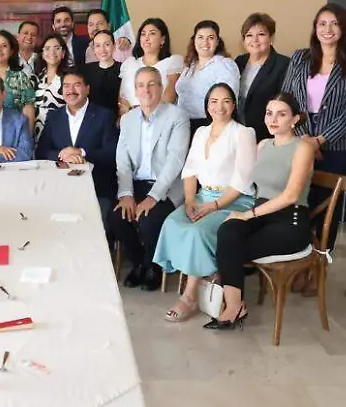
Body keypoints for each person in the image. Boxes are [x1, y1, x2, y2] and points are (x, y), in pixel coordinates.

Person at [211, 93, 316, 329]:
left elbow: (290, 196)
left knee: (232, 248)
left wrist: (246, 215)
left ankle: (229, 300)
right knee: (228, 231)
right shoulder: (263, 145)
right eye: (269, 113)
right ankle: (235, 305)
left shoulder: (303, 148)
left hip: (290, 221)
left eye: (281, 114)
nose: (273, 119)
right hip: (262, 213)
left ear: (295, 119)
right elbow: (252, 185)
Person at [153, 84, 258, 322]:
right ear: (207, 105)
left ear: (234, 105)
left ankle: (189, 295)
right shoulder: (201, 132)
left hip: (234, 201)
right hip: (202, 197)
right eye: (214, 101)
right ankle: (209, 273)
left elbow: (241, 181)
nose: (219, 107)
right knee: (172, 222)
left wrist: (215, 206)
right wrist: (190, 200)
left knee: (197, 231)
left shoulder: (244, 133)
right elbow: (190, 170)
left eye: (226, 101)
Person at [280, 3, 346, 285]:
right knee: (300, 205)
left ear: (343, 28)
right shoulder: (300, 57)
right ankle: (298, 263)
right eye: (322, 24)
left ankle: (318, 269)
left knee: (327, 210)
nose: (328, 29)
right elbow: (287, 98)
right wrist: (305, 137)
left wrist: (321, 139)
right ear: (315, 28)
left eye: (334, 23)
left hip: (338, 146)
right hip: (300, 139)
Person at [109, 67, 191, 291]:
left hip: (167, 186)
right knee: (117, 218)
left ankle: (153, 266)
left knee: (149, 220)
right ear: (135, 91)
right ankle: (139, 263)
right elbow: (122, 160)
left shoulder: (177, 117)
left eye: (152, 84)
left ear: (161, 88)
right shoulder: (128, 119)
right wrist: (126, 194)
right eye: (141, 85)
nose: (146, 90)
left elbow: (175, 160)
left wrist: (153, 197)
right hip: (136, 184)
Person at [36, 70, 119, 220]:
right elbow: (41, 151)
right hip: (59, 187)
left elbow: (112, 153)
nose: (71, 90)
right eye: (66, 86)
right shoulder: (54, 116)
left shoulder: (104, 115)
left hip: (96, 188)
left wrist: (81, 152)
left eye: (77, 85)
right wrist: (63, 155)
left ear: (87, 89)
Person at [175, 20, 240, 131]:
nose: (205, 42)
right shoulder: (190, 66)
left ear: (217, 41)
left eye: (210, 38)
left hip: (209, 125)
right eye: (200, 37)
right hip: (183, 124)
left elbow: (228, 100)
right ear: (194, 40)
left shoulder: (224, 65)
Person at [234, 13, 291, 140]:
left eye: (261, 34)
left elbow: (286, 104)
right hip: (238, 133)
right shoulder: (239, 62)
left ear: (271, 38)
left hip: (266, 135)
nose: (255, 40)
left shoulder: (284, 64)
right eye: (249, 35)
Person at [118, 18, 182, 115]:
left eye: (152, 33)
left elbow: (169, 98)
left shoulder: (172, 62)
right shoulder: (129, 63)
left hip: (161, 117)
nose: (146, 38)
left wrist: (140, 112)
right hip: (131, 118)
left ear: (163, 39)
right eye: (143, 34)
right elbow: (122, 99)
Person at [32, 34, 70, 140]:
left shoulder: (69, 78)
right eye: (47, 48)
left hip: (60, 132)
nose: (52, 52)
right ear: (42, 54)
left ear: (63, 53)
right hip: (35, 132)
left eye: (57, 48)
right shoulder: (35, 77)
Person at [84, 30, 123, 113]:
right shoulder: (86, 70)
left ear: (114, 46)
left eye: (107, 44)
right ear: (94, 49)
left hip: (116, 117)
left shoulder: (123, 68)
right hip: (92, 117)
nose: (102, 49)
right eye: (98, 45)